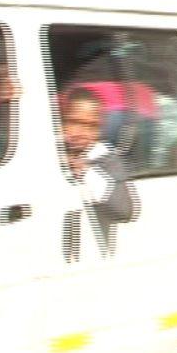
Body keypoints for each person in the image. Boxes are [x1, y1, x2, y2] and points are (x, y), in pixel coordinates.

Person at [60, 87, 138, 262]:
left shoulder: (106, 159)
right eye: (73, 122)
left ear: (100, 129)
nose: (80, 133)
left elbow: (126, 211)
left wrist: (86, 172)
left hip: (93, 259)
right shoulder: (51, 154)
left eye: (90, 126)